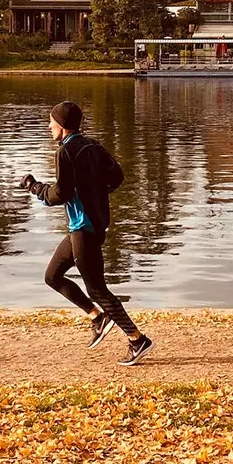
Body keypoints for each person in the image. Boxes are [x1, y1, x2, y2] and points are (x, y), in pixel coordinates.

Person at [17, 100, 153, 365]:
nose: (49, 126)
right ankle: (97, 317)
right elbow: (117, 177)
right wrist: (95, 195)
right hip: (89, 226)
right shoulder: (93, 145)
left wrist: (35, 188)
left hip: (84, 229)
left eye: (51, 122)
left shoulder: (65, 152)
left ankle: (138, 339)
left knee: (98, 289)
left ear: (62, 125)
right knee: (52, 276)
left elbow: (61, 193)